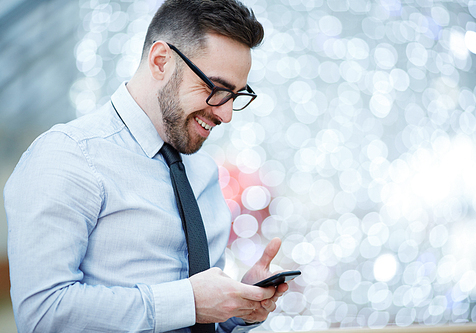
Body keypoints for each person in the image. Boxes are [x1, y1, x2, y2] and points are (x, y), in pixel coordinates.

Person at [3, 0, 289, 332]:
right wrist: (189, 303)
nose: (225, 115)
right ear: (160, 61)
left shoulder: (204, 172)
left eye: (236, 96)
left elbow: (198, 319)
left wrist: (237, 309)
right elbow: (42, 315)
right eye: (215, 89)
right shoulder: (68, 156)